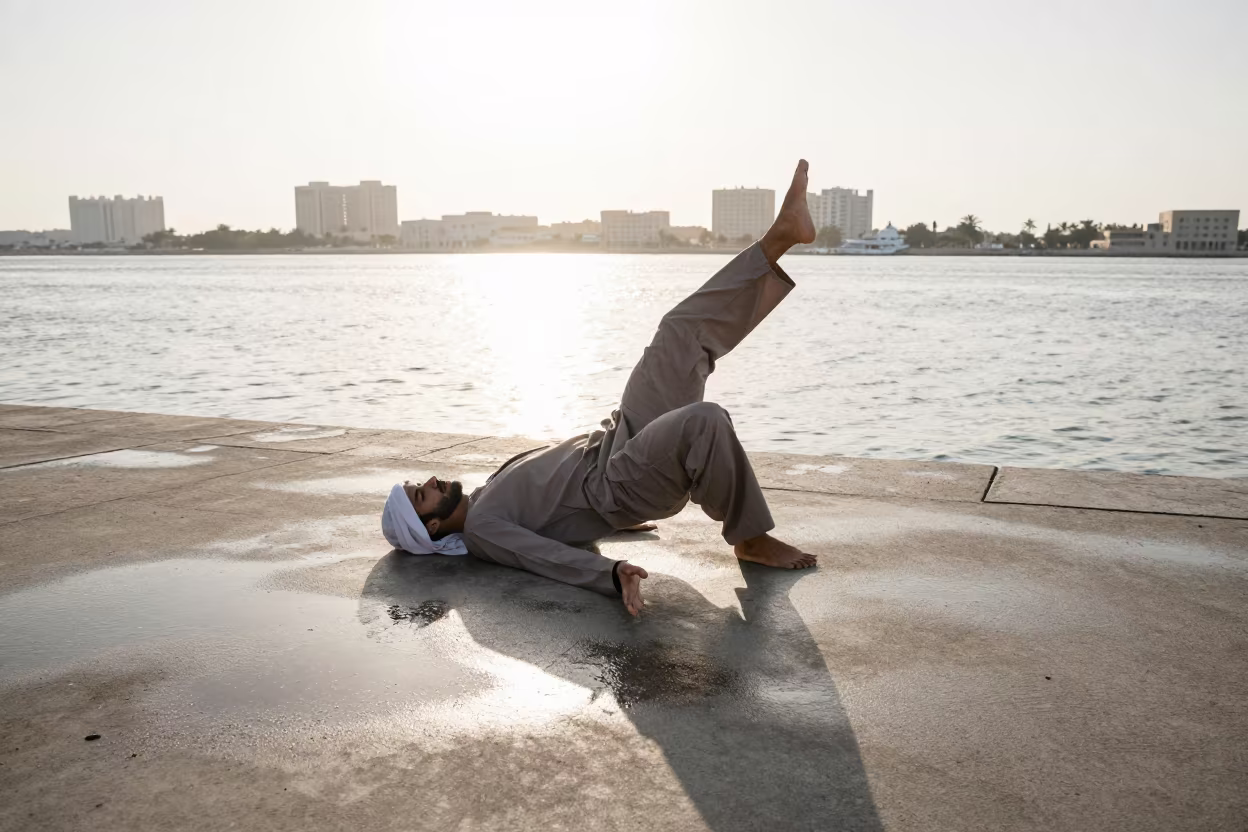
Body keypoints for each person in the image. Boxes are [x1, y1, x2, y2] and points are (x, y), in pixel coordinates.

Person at [381, 160, 819, 616]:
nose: (431, 481)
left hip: (617, 439)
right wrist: (611, 573)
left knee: (678, 332)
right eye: (422, 493)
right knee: (704, 421)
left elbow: (552, 519)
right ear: (431, 524)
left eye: (421, 484)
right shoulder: (482, 530)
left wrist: (606, 527)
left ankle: (779, 238)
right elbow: (540, 557)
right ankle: (750, 538)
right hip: (619, 482)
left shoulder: (488, 492)